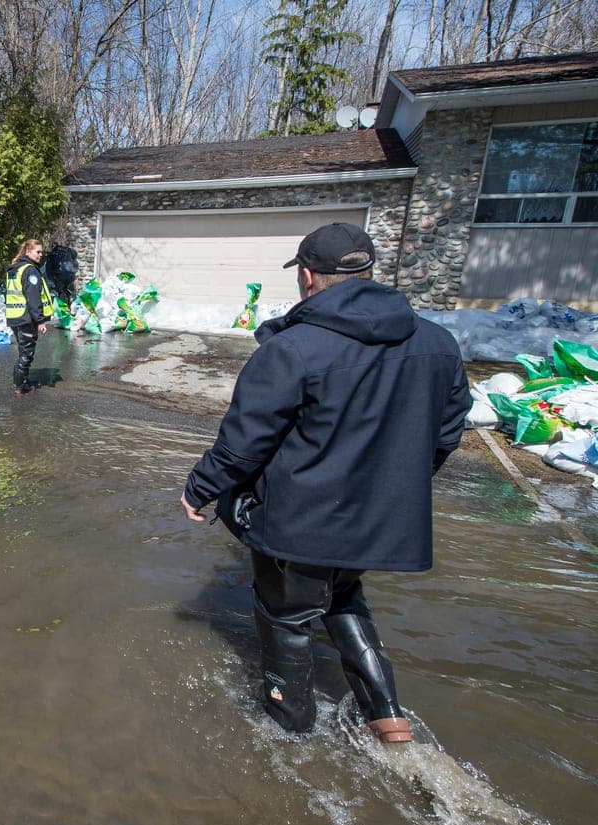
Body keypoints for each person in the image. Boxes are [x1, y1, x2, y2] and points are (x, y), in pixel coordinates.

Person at [179, 222, 472, 742]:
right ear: (367, 270)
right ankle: (387, 716)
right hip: (375, 520)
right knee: (342, 594)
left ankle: (290, 733)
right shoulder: (439, 343)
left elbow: (245, 442)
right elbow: (445, 433)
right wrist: (393, 487)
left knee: (287, 617)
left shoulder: (293, 348)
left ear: (308, 277)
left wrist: (200, 488)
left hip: (302, 519)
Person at [5, 238, 54, 395]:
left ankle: (20, 381)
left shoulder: (15, 268)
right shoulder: (30, 270)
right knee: (27, 354)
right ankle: (20, 386)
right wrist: (40, 321)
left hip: (15, 316)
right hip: (26, 318)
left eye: (42, 252)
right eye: (38, 252)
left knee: (23, 352)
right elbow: (33, 297)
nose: (41, 255)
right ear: (28, 252)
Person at [44, 242, 79, 307]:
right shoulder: (69, 252)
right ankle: (68, 307)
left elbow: (48, 268)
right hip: (68, 277)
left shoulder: (53, 254)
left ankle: (60, 308)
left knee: (57, 294)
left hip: (56, 277)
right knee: (68, 293)